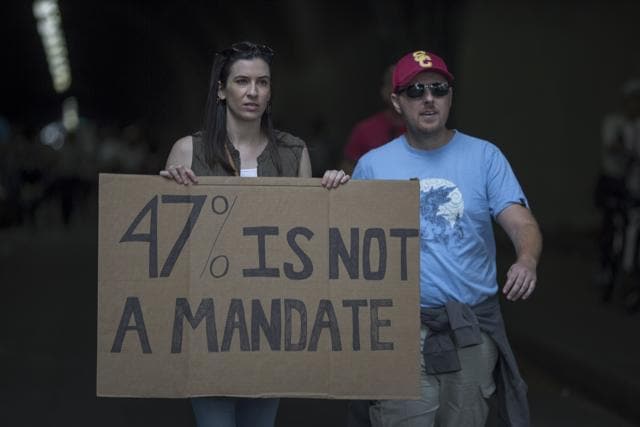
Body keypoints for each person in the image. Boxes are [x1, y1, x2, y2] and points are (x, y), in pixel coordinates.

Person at [159, 41, 348, 427]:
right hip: (207, 325)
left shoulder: (293, 153)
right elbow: (166, 248)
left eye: (262, 82)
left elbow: (307, 236)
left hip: (269, 325)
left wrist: (330, 193)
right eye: (242, 81)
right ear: (221, 89)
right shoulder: (187, 151)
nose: (253, 91)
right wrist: (167, 191)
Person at [351, 50, 542, 426]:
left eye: (438, 89)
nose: (428, 99)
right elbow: (347, 244)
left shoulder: (485, 157)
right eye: (415, 91)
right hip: (398, 330)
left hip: (469, 329)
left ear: (450, 96)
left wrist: (527, 259)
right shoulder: (373, 165)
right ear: (396, 101)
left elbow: (522, 223)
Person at [340, 65, 405, 175]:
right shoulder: (364, 130)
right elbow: (346, 173)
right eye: (394, 84)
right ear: (384, 91)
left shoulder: (425, 129)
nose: (401, 91)